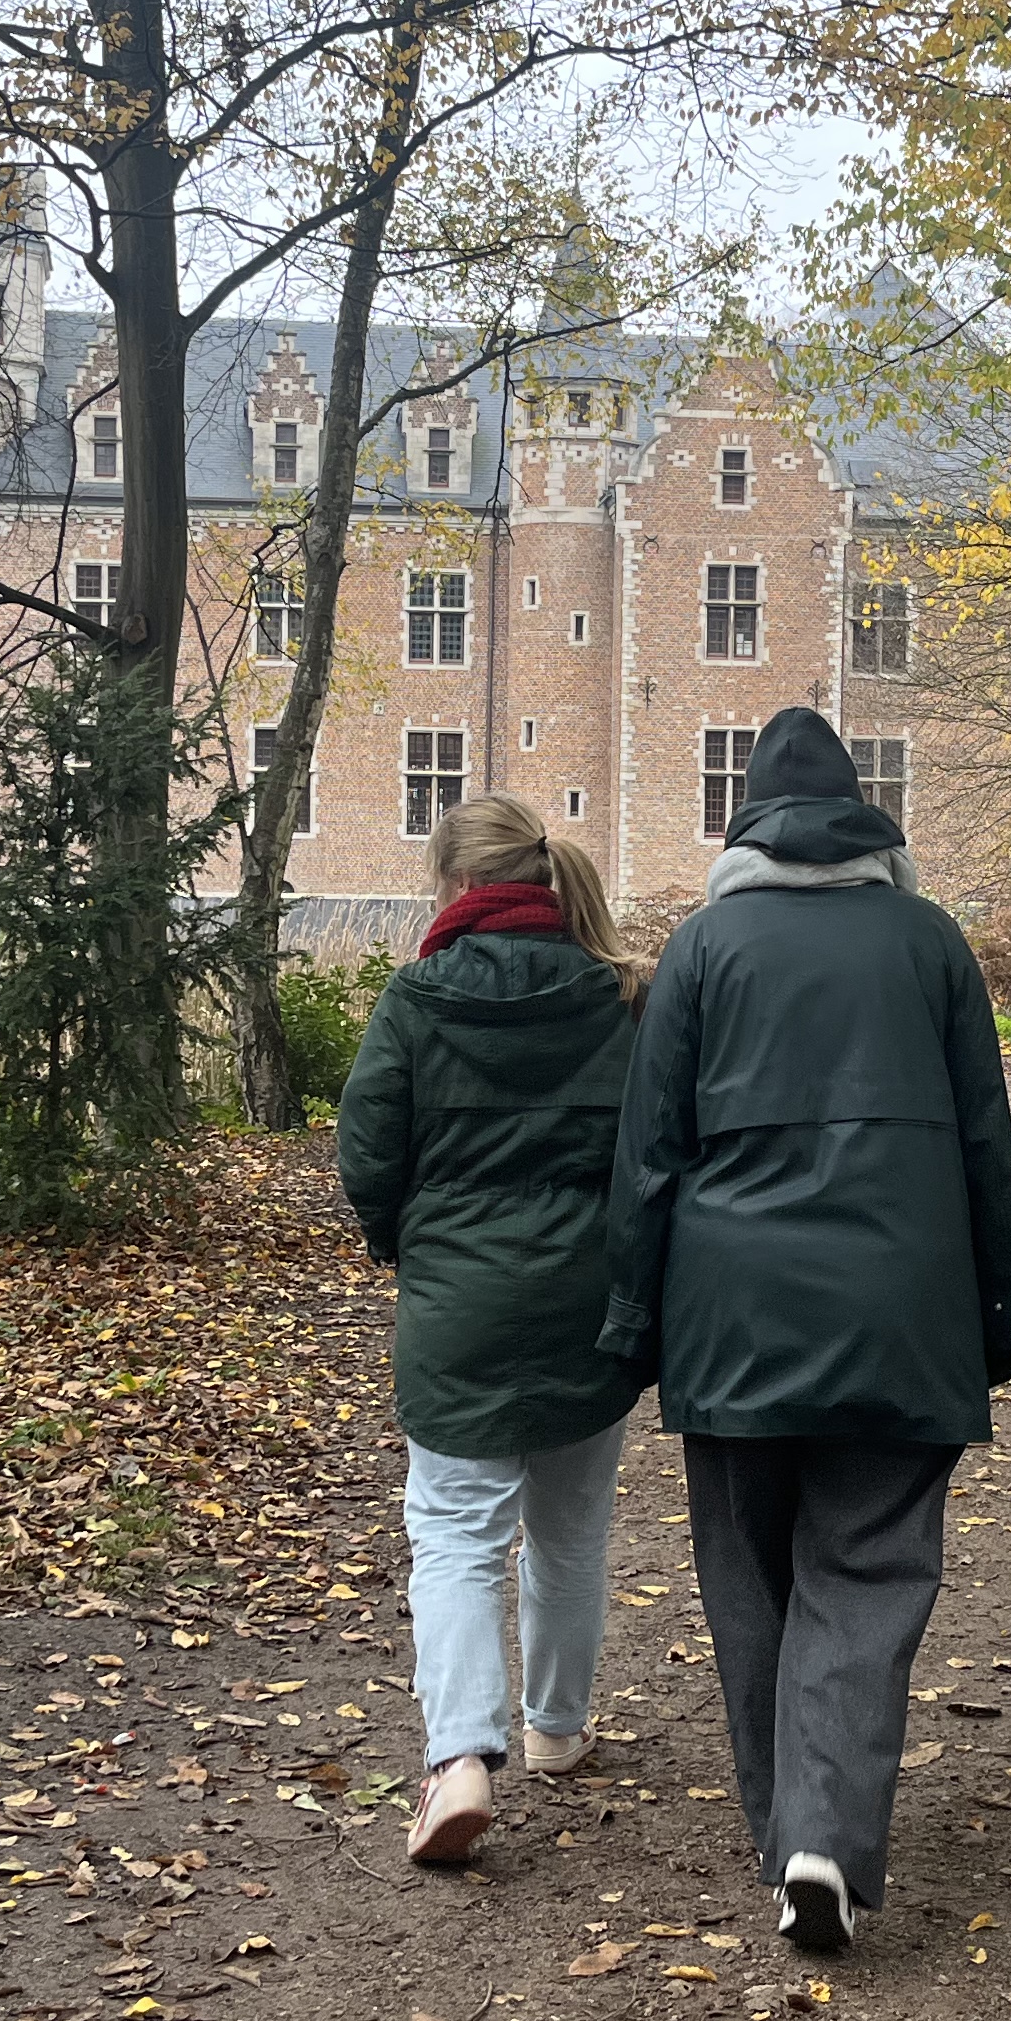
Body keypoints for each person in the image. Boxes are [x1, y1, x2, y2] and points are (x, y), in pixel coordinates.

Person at [602, 707, 1011, 1953]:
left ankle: (785, 1831)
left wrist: (633, 1325)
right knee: (869, 1568)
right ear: (864, 823)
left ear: (747, 822)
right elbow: (982, 1149)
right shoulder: (932, 945)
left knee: (748, 1577)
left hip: (731, 1318)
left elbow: (649, 1160)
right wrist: (1004, 1311)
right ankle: (821, 1838)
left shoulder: (699, 948)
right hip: (904, 1313)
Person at [339, 795, 648, 1868]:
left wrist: (408, 1247)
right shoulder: (619, 997)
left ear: (453, 887)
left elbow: (368, 1149)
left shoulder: (417, 999)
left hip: (458, 1304)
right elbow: (656, 1157)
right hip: (589, 1302)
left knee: (456, 1534)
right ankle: (557, 1731)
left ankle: (458, 1758)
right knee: (572, 1530)